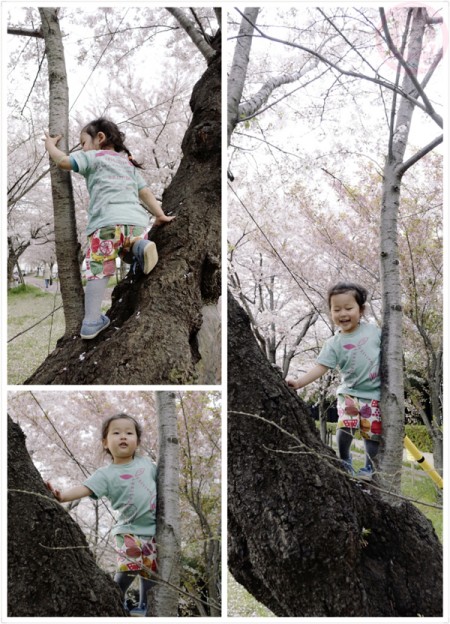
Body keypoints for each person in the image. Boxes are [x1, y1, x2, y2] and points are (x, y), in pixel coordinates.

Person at [43, 118, 175, 339]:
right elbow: (145, 194)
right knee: (126, 249)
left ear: (100, 138)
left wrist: (50, 146)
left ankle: (91, 321)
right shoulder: (129, 165)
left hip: (105, 224)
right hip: (136, 222)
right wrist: (159, 215)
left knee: (99, 267)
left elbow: (63, 162)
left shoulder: (92, 156)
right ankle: (138, 245)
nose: (82, 147)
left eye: (83, 142)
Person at [46, 413, 157, 617]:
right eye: (116, 433)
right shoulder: (106, 474)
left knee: (150, 572)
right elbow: (84, 488)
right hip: (128, 530)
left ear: (137, 441)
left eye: (129, 433)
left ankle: (144, 606)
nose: (123, 436)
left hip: (153, 530)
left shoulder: (147, 464)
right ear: (105, 443)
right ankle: (116, 595)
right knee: (130, 567)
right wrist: (61, 496)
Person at [287, 282, 381, 481]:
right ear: (330, 312)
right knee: (346, 426)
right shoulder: (334, 343)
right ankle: (345, 459)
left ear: (361, 310)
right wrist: (299, 382)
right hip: (350, 392)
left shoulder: (374, 332)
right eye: (336, 309)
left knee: (372, 433)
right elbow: (321, 367)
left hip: (374, 394)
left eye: (349, 308)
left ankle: (368, 468)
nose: (343, 314)